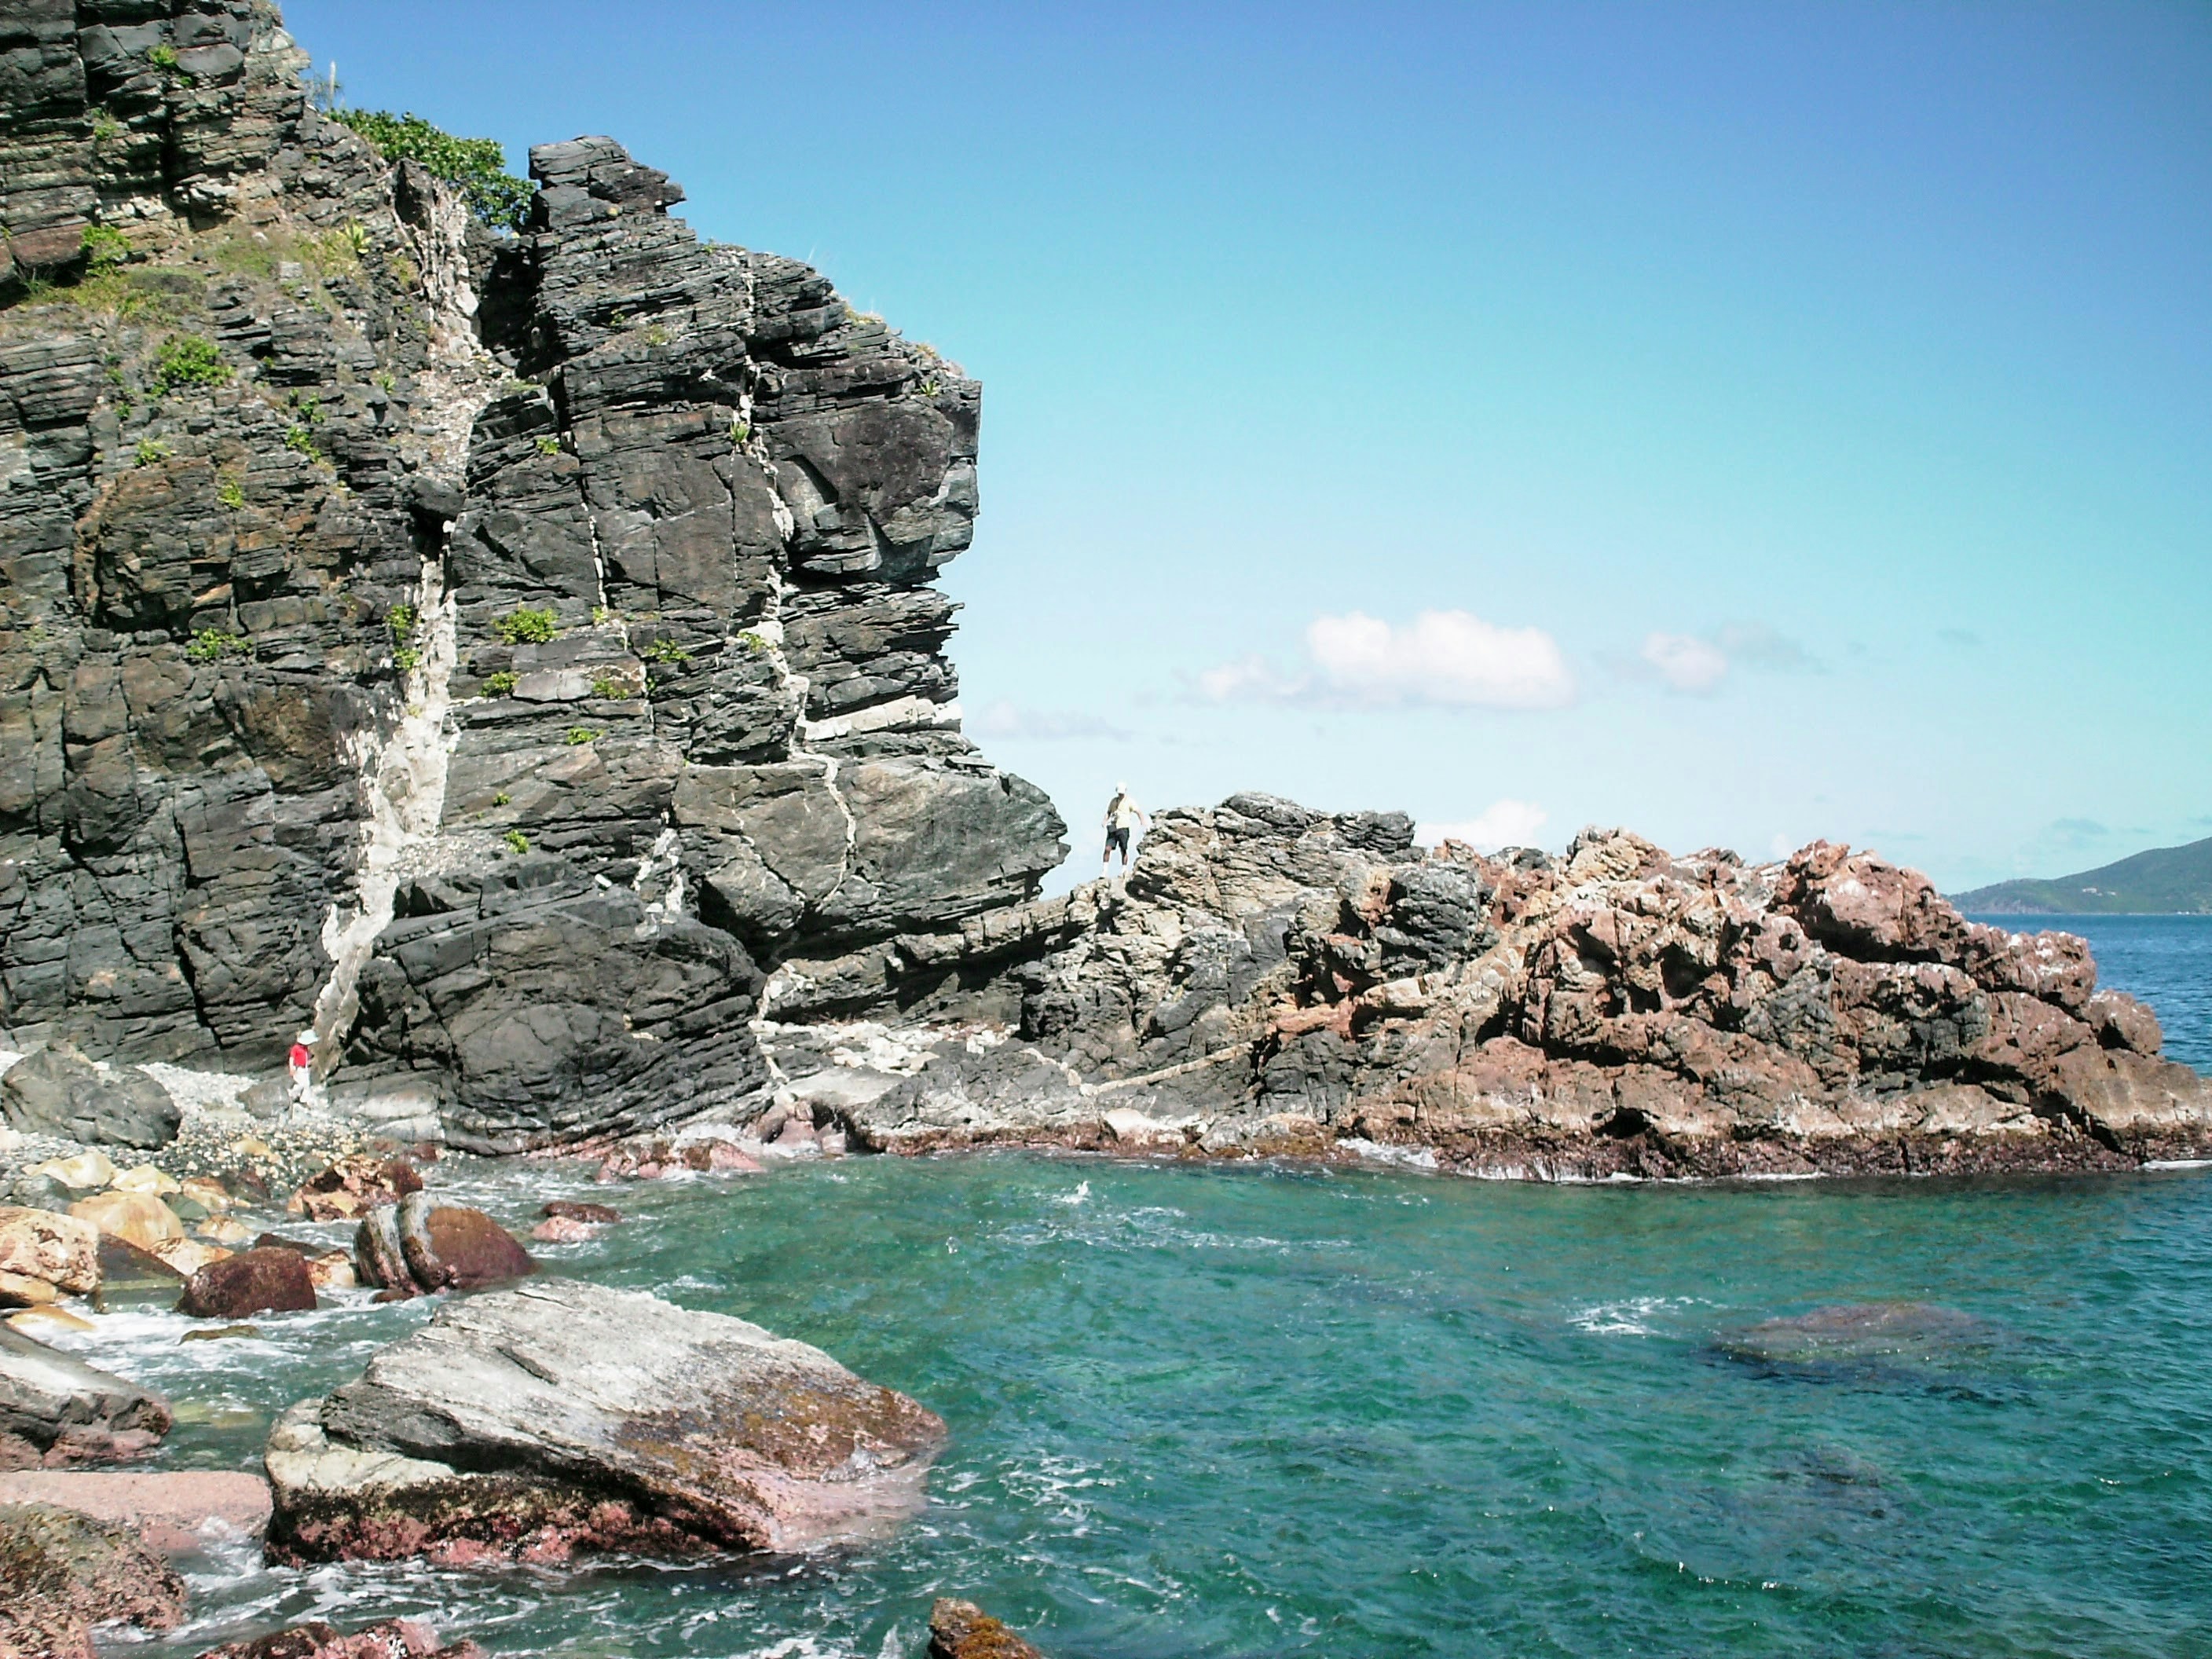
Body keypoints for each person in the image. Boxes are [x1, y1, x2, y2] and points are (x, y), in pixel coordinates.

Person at [1102, 783, 1148, 877]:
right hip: (1113, 827)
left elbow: (1138, 811)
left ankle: (1124, 869)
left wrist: (1142, 821)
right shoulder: (1113, 801)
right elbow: (1109, 812)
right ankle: (1104, 871)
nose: (1120, 795)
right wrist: (1105, 821)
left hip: (1124, 827)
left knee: (1123, 849)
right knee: (1107, 849)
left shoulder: (1130, 801)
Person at [288, 1029, 314, 1104]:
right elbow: (292, 1058)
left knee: (307, 1085)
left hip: (305, 1069)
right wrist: (291, 1068)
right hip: (298, 1068)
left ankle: (304, 1100)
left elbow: (305, 1057)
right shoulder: (296, 1048)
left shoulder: (305, 1048)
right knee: (300, 1084)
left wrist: (308, 1063)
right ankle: (292, 1094)